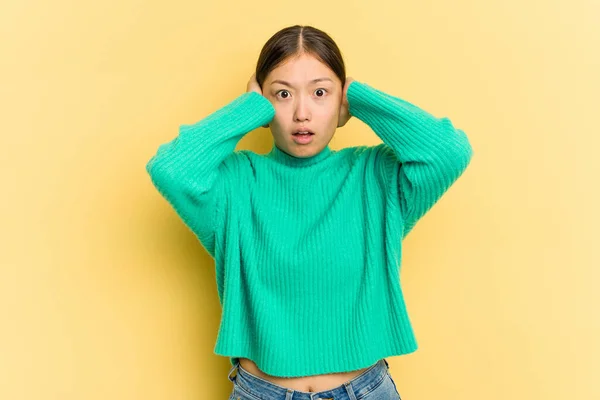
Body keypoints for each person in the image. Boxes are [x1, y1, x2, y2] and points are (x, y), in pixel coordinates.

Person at [146, 25, 473, 400]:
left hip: (365, 391)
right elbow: (169, 168)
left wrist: (360, 97)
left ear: (341, 102)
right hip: (261, 392)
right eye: (282, 94)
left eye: (320, 93)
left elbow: (450, 152)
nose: (302, 113)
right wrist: (249, 108)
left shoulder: (375, 177)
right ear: (263, 104)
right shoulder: (234, 185)